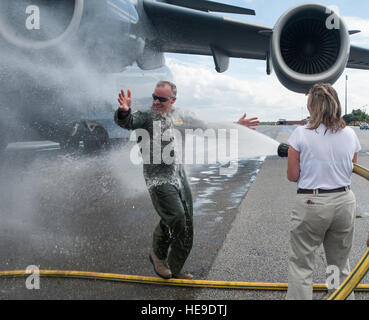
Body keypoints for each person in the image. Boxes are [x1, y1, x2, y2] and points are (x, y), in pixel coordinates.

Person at [114, 81, 259, 280]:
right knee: (176, 218)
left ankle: (175, 268)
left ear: (173, 100)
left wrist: (235, 126)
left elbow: (207, 128)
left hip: (178, 175)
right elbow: (129, 121)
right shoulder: (147, 115)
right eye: (154, 97)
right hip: (158, 177)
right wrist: (123, 112)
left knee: (187, 224)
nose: (156, 101)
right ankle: (157, 255)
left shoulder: (182, 116)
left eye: (162, 99)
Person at [285, 83, 361, 300]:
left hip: (312, 202)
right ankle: (338, 295)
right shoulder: (350, 134)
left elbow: (292, 175)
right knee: (338, 261)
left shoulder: (300, 134)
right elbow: (351, 167)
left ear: (311, 107)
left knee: (302, 263)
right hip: (344, 201)